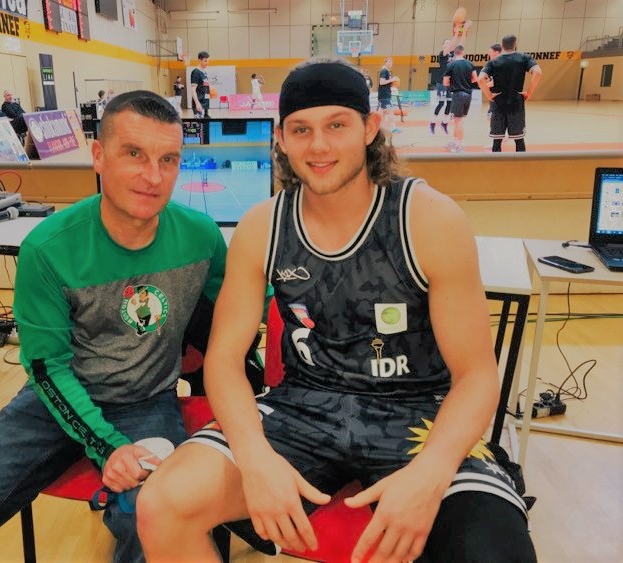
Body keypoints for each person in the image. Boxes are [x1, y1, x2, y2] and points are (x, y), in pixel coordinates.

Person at [137, 58, 536, 563]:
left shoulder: (429, 218)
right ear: (281, 138)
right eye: (301, 130)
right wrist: (254, 457)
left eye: (337, 126)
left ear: (370, 128)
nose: (319, 146)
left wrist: (432, 472)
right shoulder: (262, 227)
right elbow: (223, 359)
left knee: (495, 553)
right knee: (161, 506)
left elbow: (476, 376)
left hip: (419, 413)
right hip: (302, 409)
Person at [0, 91, 230, 563]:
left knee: (154, 523)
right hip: (51, 403)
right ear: (98, 156)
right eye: (134, 154)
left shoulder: (202, 237)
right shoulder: (47, 249)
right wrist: (108, 446)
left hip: (146, 402)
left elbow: (246, 309)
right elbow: (47, 368)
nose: (153, 176)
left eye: (168, 159)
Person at [478, 34, 542, 152]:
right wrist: (529, 92)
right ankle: (521, 163)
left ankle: (497, 163)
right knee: (519, 140)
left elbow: (480, 79)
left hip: (499, 103)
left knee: (497, 141)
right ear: (515, 44)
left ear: (502, 46)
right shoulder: (525, 58)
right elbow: (538, 73)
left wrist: (489, 95)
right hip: (516, 102)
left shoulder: (493, 62)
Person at [428, 22, 470, 136]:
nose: (449, 44)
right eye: (446, 43)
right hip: (442, 82)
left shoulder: (454, 54)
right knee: (441, 103)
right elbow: (453, 44)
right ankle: (432, 123)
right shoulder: (442, 53)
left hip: (451, 83)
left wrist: (464, 31)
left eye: (449, 43)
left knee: (450, 104)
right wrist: (456, 32)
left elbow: (461, 45)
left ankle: (444, 123)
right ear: (443, 46)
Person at [443, 45, 477, 153]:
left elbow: (445, 82)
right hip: (468, 94)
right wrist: (465, 81)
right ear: (463, 52)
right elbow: (475, 79)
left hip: (458, 94)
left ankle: (460, 145)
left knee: (458, 121)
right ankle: (455, 141)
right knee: (457, 119)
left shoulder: (451, 64)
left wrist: (455, 82)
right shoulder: (470, 64)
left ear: (454, 53)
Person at [377, 57, 402, 134]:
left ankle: (379, 128)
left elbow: (386, 83)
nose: (390, 63)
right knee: (391, 111)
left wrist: (391, 87)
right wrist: (392, 80)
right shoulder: (384, 71)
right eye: (388, 62)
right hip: (384, 96)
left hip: (385, 94)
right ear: (385, 63)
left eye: (391, 62)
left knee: (383, 113)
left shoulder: (387, 71)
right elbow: (381, 82)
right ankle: (393, 128)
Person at [190, 51, 211, 118]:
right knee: (200, 124)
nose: (207, 63)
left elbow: (204, 86)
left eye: (208, 61)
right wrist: (197, 103)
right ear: (199, 60)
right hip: (199, 103)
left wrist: (210, 91)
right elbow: (193, 89)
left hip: (205, 104)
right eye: (205, 61)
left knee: (207, 123)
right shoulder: (196, 72)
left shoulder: (204, 72)